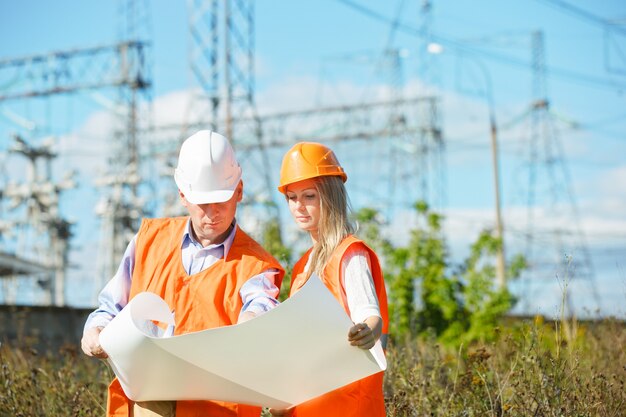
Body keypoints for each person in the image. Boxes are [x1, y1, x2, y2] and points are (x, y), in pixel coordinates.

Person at [81, 130, 285, 417]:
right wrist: (94, 332)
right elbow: (110, 308)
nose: (212, 213)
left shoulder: (257, 265)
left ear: (239, 191)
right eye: (203, 203)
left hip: (216, 410)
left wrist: (253, 325)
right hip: (147, 403)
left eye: (221, 201)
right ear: (183, 196)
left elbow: (260, 308)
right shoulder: (147, 240)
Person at [271, 142, 389, 417]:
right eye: (291, 197)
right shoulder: (302, 268)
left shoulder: (350, 254)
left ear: (331, 195)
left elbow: (370, 316)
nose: (299, 206)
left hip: (348, 407)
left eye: (309, 196)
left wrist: (367, 331)